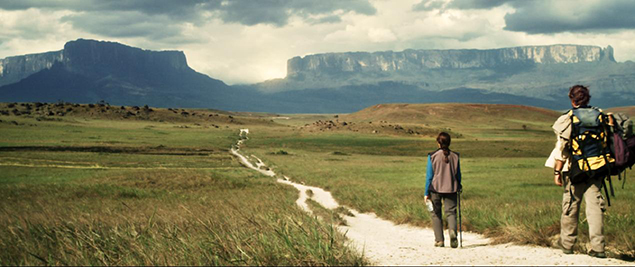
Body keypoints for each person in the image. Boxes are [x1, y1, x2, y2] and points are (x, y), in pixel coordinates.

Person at [546, 85, 609, 258]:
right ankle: (598, 247)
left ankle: (567, 244)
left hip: (575, 170)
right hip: (597, 168)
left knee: (571, 205)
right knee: (595, 208)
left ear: (571, 98)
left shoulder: (568, 119)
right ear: (588, 98)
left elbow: (562, 150)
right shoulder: (601, 116)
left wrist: (557, 173)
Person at [425, 132, 462, 248]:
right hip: (451, 188)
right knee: (451, 213)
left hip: (435, 188)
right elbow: (458, 174)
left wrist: (426, 193)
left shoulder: (432, 156)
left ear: (438, 143)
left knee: (436, 214)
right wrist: (459, 185)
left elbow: (429, 176)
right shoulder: (455, 156)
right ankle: (452, 231)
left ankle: (439, 240)